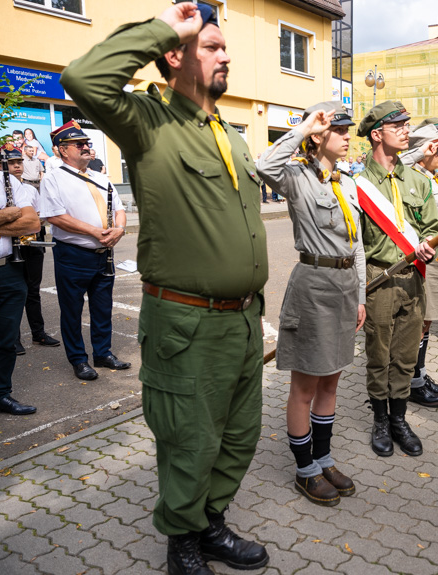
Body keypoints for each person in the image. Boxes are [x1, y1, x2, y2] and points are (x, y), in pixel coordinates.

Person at [61, 4, 270, 573]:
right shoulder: (149, 123)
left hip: (243, 320)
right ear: (175, 56)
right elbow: (82, 79)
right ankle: (181, 542)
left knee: (238, 436)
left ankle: (210, 524)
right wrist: (165, 28)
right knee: (190, 442)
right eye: (211, 46)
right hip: (187, 324)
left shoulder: (232, 134)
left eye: (226, 47)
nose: (226, 54)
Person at [257, 102, 365, 506]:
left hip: (343, 288)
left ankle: (324, 457)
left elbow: (357, 247)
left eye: (347, 129)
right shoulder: (299, 178)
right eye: (338, 129)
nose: (346, 134)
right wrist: (304, 127)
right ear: (320, 136)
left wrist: (360, 294)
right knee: (304, 385)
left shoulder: (347, 182)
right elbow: (264, 165)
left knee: (332, 380)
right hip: (314, 286)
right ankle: (304, 469)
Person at [354, 100, 438, 458]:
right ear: (377, 134)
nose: (406, 129)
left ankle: (400, 418)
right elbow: (354, 241)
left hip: (413, 279)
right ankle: (380, 419)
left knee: (405, 355)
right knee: (379, 354)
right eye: (398, 125)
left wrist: (429, 246)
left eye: (407, 124)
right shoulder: (357, 184)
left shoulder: (418, 180)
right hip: (378, 278)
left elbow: (432, 228)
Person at [40, 121, 130, 381]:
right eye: (79, 144)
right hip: (73, 254)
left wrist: (120, 229)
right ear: (61, 150)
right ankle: (78, 359)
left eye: (87, 143)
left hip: (104, 254)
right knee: (72, 310)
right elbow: (55, 216)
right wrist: (95, 232)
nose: (86, 147)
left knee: (103, 307)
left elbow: (120, 209)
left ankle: (103, 353)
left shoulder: (101, 177)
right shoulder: (53, 178)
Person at [0, 117, 41, 415]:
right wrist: (6, 217)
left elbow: (32, 223)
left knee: (4, 339)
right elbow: (16, 220)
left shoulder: (6, 178)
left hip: (9, 270)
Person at [401, 124, 438, 407]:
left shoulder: (434, 176)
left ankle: (420, 374)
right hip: (425, 256)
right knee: (420, 321)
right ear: (421, 150)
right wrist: (414, 154)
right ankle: (412, 381)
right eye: (436, 148)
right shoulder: (408, 174)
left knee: (428, 320)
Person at [1, 147, 61, 355]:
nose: (17, 166)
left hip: (32, 244)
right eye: (11, 163)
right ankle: (13, 338)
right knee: (13, 293)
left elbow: (39, 216)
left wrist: (36, 218)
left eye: (19, 161)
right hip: (11, 246)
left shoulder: (30, 189)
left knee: (33, 291)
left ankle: (39, 333)